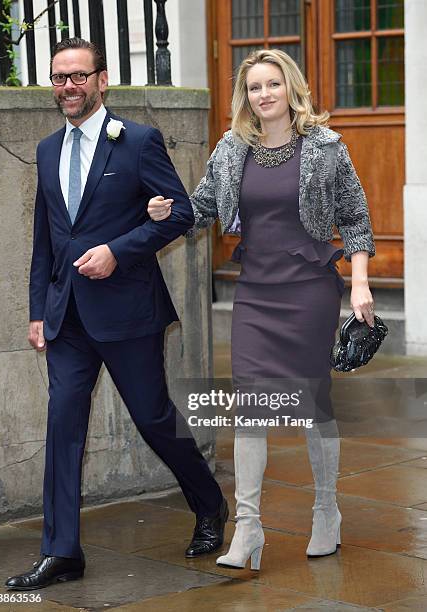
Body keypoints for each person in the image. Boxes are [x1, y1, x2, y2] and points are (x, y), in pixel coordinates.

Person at [5, 37, 228, 591]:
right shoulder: (47, 151)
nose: (68, 87)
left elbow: (179, 213)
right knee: (62, 427)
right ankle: (62, 553)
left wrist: (118, 251)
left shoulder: (137, 141)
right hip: (67, 317)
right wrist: (38, 308)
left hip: (128, 313)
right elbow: (45, 238)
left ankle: (209, 505)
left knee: (153, 419)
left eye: (79, 76)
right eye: (59, 77)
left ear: (102, 81)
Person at [147, 49, 375, 571]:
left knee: (313, 406)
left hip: (309, 292)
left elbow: (357, 220)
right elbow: (200, 209)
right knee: (250, 406)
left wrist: (359, 284)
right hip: (255, 294)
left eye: (273, 84)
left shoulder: (326, 148)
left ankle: (326, 510)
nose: (264, 94)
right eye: (254, 87)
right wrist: (167, 209)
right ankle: (248, 528)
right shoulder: (232, 149)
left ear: (291, 89)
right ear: (244, 96)